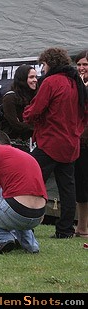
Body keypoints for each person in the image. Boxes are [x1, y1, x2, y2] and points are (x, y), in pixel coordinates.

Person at [23, 47, 88, 238]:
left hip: (51, 141)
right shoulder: (75, 82)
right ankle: (65, 229)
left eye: (43, 65)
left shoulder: (51, 81)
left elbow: (36, 109)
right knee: (67, 189)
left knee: (31, 180)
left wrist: (26, 114)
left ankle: (25, 223)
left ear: (50, 63)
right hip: (71, 144)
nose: (42, 69)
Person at [0, 64, 37, 150]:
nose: (35, 80)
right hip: (12, 145)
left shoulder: (33, 97)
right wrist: (35, 128)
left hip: (29, 145)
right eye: (31, 77)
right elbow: (15, 124)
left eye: (35, 77)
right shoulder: (10, 98)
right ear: (22, 79)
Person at [74, 49, 88, 238]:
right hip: (80, 142)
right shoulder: (76, 85)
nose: (82, 68)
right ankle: (82, 226)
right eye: (79, 64)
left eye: (85, 64)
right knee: (81, 185)